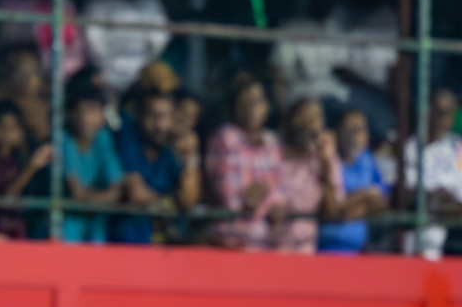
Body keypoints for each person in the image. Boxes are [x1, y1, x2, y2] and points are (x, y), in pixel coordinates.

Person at [207, 74, 284, 251]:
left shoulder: (272, 142)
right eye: (246, 103)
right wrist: (264, 200)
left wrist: (264, 199)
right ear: (234, 107)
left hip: (267, 244)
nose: (252, 109)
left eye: (258, 102)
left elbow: (281, 192)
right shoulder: (225, 138)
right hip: (232, 243)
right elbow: (232, 200)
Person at [398, 88, 462, 260]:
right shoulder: (407, 144)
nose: (443, 120)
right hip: (406, 235)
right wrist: (436, 198)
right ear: (427, 111)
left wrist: (429, 200)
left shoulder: (458, 147)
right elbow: (401, 198)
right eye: (439, 113)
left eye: (449, 114)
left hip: (442, 238)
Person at [113, 89, 200, 244]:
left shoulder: (168, 153)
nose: (159, 125)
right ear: (140, 115)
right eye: (153, 116)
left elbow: (188, 200)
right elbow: (137, 194)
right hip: (125, 243)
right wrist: (171, 204)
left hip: (159, 246)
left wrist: (189, 155)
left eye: (165, 117)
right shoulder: (128, 140)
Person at [267, 97, 344, 254]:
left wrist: (326, 167)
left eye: (316, 118)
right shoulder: (271, 152)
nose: (311, 125)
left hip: (304, 250)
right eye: (305, 118)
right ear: (291, 122)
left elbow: (331, 212)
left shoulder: (326, 159)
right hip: (265, 246)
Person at [59, 75, 121, 243]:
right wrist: (103, 197)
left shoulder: (103, 138)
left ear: (103, 115)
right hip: (67, 226)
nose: (85, 118)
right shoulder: (64, 140)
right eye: (79, 111)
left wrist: (91, 198)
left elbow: (117, 190)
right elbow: (77, 193)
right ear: (70, 114)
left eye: (92, 110)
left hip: (96, 228)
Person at [318, 109, 390, 254]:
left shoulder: (367, 160)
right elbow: (330, 208)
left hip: (357, 252)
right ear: (338, 131)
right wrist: (363, 195)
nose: (357, 135)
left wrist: (345, 212)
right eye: (351, 130)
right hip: (324, 249)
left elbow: (381, 201)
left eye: (361, 129)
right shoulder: (327, 159)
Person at [0, 101, 50, 240]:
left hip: (19, 231)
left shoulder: (23, 158)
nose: (7, 132)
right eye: (2, 126)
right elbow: (6, 199)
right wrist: (31, 167)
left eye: (13, 127)